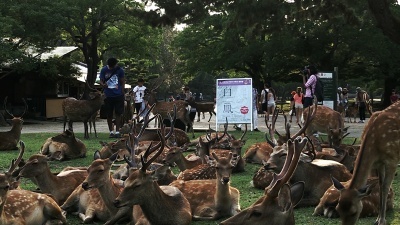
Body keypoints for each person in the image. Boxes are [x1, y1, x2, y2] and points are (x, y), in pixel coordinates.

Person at [99, 57, 125, 138]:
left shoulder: (119, 70)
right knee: (109, 114)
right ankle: (111, 131)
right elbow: (101, 80)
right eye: (110, 66)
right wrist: (103, 85)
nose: (111, 68)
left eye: (112, 66)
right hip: (108, 95)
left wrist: (122, 91)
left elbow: (122, 81)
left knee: (118, 113)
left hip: (118, 95)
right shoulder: (104, 70)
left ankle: (117, 131)